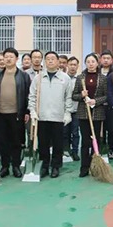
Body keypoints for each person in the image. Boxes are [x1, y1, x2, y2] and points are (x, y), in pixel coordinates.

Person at [28, 51, 73, 179]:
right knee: (43, 143)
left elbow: (68, 97)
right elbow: (32, 96)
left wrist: (68, 113)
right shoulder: (38, 78)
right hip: (41, 116)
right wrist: (33, 111)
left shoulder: (65, 78)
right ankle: (44, 165)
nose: (50, 61)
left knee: (58, 144)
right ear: (44, 61)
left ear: (58, 62)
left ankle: (56, 166)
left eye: (53, 59)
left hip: (58, 117)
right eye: (47, 59)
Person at [0, 48, 31, 179]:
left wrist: (27, 111)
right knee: (2, 142)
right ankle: (5, 166)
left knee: (16, 141)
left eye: (11, 57)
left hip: (16, 114)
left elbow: (29, 95)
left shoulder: (23, 76)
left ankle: (16, 166)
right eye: (6, 56)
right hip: (0, 114)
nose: (8, 59)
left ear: (16, 59)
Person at [71, 53, 108, 178]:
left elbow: (106, 96)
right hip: (83, 113)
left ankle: (95, 166)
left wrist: (95, 101)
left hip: (97, 113)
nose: (91, 64)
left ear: (97, 63)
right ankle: (84, 167)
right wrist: (82, 95)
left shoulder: (102, 78)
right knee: (85, 141)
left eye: (93, 61)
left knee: (96, 140)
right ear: (85, 63)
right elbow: (74, 96)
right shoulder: (80, 77)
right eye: (88, 61)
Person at [64, 57, 81, 161]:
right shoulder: (63, 78)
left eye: (75, 65)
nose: (72, 67)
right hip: (64, 110)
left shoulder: (80, 79)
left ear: (77, 66)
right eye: (71, 64)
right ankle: (66, 151)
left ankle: (75, 151)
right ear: (67, 65)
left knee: (75, 132)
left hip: (76, 110)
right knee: (64, 132)